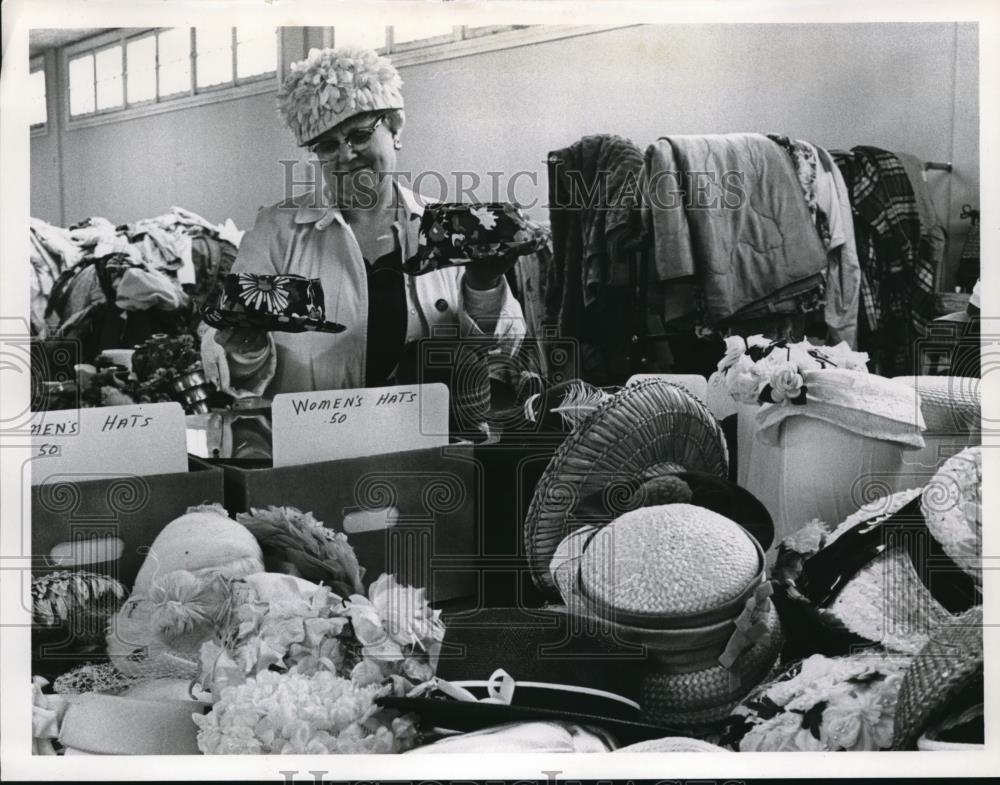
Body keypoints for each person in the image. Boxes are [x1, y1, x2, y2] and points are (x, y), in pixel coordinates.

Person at [201, 47, 525, 398]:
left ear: (395, 128)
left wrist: (483, 287)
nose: (345, 155)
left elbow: (499, 357)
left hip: (427, 439)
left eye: (359, 135)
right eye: (326, 145)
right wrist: (246, 349)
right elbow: (237, 369)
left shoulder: (449, 227)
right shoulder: (276, 231)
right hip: (316, 443)